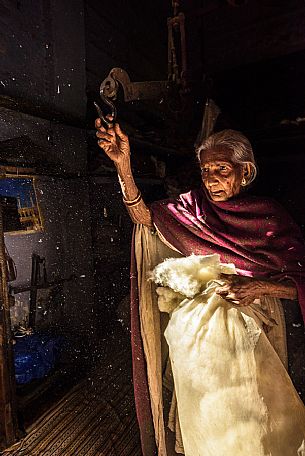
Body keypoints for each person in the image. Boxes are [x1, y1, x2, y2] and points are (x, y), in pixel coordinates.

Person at [95, 118, 305, 455]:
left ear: (245, 172)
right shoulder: (194, 208)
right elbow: (146, 219)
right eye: (206, 170)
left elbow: (299, 282)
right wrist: (123, 166)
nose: (211, 179)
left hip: (256, 321)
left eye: (221, 168)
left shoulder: (270, 217)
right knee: (209, 410)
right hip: (204, 333)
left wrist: (259, 288)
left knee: (252, 416)